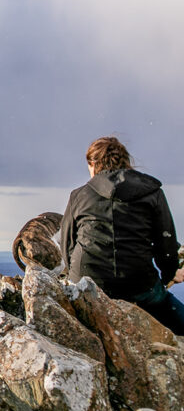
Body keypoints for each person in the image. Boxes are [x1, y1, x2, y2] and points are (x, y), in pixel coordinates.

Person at [61, 136, 184, 335]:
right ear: (126, 162)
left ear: (93, 164)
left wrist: (72, 275)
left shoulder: (79, 195)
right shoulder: (152, 192)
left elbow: (67, 244)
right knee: (171, 311)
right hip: (138, 285)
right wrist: (171, 273)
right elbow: (166, 242)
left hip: (87, 284)